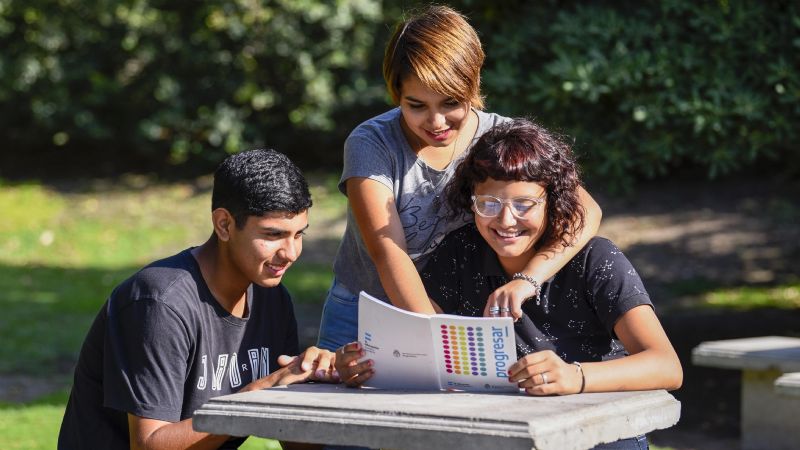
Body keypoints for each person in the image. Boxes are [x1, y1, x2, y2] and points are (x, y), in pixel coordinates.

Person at [337, 118, 682, 449]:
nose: (506, 220)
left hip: (598, 435)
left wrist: (574, 377)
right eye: (488, 203)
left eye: (524, 204)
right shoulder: (460, 252)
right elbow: (421, 348)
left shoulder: (596, 259)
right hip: (503, 435)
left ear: (553, 201)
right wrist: (367, 365)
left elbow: (667, 365)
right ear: (470, 200)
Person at [317, 5, 602, 354]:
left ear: (473, 84)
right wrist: (438, 343)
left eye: (450, 102)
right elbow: (388, 252)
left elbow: (586, 211)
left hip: (459, 309)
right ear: (396, 94)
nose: (436, 121)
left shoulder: (500, 137)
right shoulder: (371, 143)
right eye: (416, 105)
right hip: (367, 310)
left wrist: (529, 279)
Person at [58, 149, 337, 450]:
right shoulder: (159, 303)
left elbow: (297, 445)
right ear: (225, 225)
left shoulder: (272, 298)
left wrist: (317, 383)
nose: (291, 253)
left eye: (299, 235)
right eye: (273, 235)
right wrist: (255, 398)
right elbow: (149, 445)